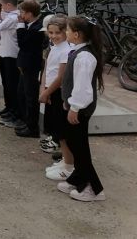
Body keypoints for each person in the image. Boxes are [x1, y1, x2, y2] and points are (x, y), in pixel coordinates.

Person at [58, 16, 106, 202]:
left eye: (68, 30)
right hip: (74, 105)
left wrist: (75, 107)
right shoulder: (77, 51)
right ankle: (77, 178)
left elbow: (83, 87)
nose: (65, 33)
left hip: (80, 108)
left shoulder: (84, 56)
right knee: (73, 142)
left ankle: (94, 188)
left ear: (76, 35)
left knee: (80, 148)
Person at [40, 15, 75, 181]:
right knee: (56, 129)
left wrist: (47, 92)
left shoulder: (66, 51)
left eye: (57, 33)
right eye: (50, 32)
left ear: (65, 33)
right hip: (49, 90)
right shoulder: (54, 47)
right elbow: (47, 70)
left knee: (62, 131)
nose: (53, 36)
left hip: (58, 92)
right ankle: (65, 161)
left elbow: (61, 77)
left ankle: (69, 165)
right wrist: (43, 88)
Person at [15, 0, 45, 138]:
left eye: (22, 12)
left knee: (31, 96)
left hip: (31, 66)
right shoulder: (31, 25)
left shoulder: (36, 28)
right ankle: (27, 121)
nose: (21, 15)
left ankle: (33, 127)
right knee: (23, 93)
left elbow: (23, 43)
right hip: (25, 64)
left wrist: (20, 25)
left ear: (30, 13)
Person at [0, 0, 21, 126]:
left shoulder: (13, 17)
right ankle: (9, 107)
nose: (0, 7)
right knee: (5, 82)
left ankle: (14, 110)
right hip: (3, 52)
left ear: (8, 4)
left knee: (11, 84)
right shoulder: (8, 15)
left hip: (11, 54)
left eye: (2, 5)